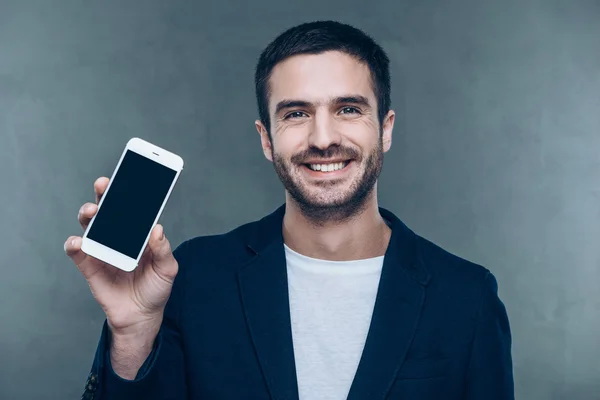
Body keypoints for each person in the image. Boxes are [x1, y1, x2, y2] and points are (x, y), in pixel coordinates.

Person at [65, 20, 514, 400]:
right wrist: (132, 332)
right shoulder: (193, 278)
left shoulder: (467, 297)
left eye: (349, 109)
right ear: (266, 139)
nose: (323, 138)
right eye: (296, 114)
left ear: (386, 129)